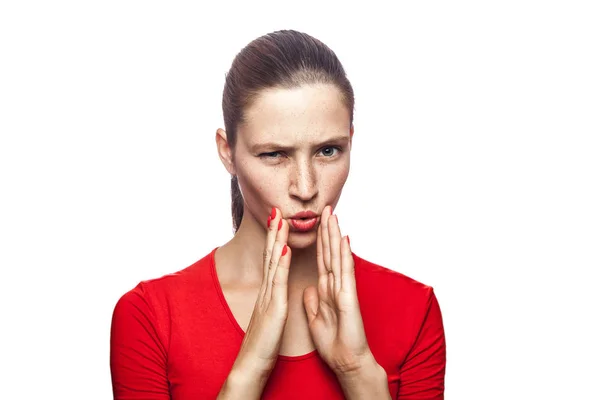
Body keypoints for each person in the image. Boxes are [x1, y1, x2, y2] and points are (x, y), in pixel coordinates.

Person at [110, 29, 446, 399]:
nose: (305, 187)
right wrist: (250, 368)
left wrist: (358, 372)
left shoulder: (414, 310)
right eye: (274, 155)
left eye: (329, 151)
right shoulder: (151, 317)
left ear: (351, 139)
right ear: (227, 152)